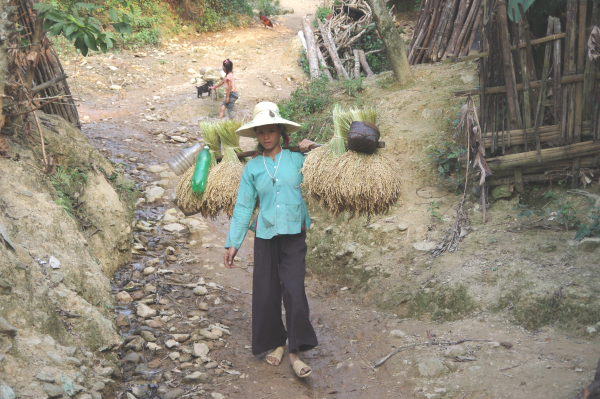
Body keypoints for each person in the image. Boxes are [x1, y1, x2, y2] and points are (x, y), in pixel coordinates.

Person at [223, 101, 318, 378]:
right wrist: (233, 243)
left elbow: (331, 164)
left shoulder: (297, 159)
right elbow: (243, 206)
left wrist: (314, 148)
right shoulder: (252, 168)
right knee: (266, 293)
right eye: (261, 132)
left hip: (294, 235)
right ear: (256, 136)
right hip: (265, 236)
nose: (266, 137)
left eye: (271, 131)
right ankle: (276, 343)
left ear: (280, 132)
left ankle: (294, 353)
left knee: (294, 291)